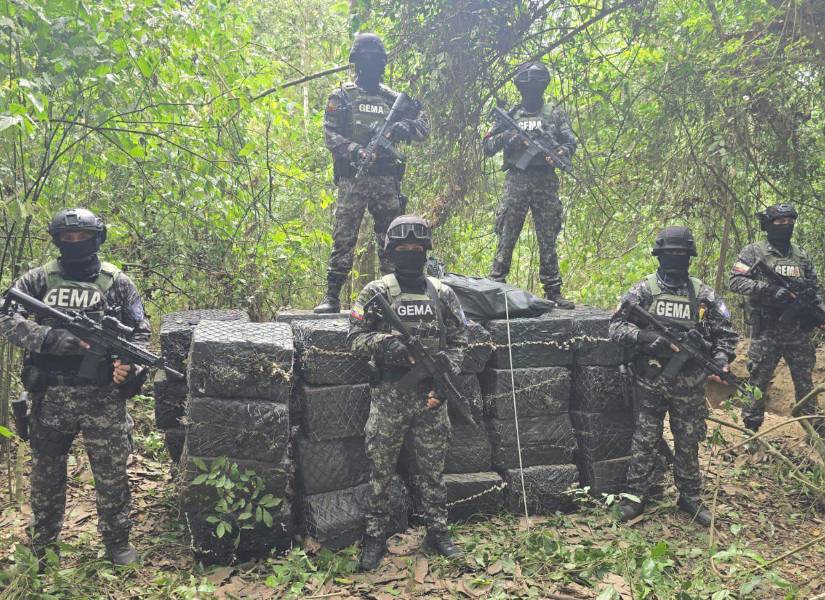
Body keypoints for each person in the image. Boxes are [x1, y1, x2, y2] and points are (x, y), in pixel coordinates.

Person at [1, 208, 151, 567]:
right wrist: (48, 337)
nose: (75, 244)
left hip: (103, 397)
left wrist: (130, 370)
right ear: (56, 241)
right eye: (67, 239)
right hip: (51, 396)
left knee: (112, 474)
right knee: (46, 475)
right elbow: (5, 315)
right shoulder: (38, 279)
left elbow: (141, 335)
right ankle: (43, 545)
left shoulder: (118, 282)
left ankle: (117, 542)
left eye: (81, 237)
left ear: (97, 238)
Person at [347, 215, 467, 571]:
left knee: (433, 472)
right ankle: (373, 536)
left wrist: (444, 381)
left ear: (426, 251)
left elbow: (461, 342)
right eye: (403, 248)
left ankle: (437, 531)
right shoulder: (375, 292)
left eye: (417, 249)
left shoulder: (442, 293)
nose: (411, 254)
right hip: (390, 395)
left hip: (430, 398)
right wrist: (390, 346)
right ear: (391, 252)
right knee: (380, 472)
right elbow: (352, 337)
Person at [609, 226, 738, 526]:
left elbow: (727, 334)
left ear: (690, 257)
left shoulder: (703, 294)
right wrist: (644, 338)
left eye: (681, 254)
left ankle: (690, 498)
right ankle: (634, 498)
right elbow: (615, 326)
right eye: (671, 254)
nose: (676, 259)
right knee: (644, 440)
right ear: (660, 256)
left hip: (690, 385)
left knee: (688, 441)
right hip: (651, 379)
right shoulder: (643, 290)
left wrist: (720, 359)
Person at [314, 32, 430, 314]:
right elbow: (330, 134)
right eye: (364, 61)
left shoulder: (394, 100)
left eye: (375, 62)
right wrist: (355, 150)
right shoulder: (341, 96)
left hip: (386, 180)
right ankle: (332, 296)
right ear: (356, 63)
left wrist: (407, 128)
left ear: (382, 64)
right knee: (344, 236)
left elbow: (423, 126)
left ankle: (394, 297)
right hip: (353, 178)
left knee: (390, 239)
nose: (370, 67)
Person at [483, 61, 577, 308]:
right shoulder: (511, 114)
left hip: (545, 180)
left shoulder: (554, 113)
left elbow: (570, 144)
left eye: (538, 83)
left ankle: (553, 290)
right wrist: (510, 137)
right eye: (529, 84)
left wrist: (558, 151)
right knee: (507, 233)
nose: (533, 89)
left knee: (548, 236)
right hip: (517, 179)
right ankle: (496, 284)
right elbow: (488, 146)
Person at [729, 204, 825, 433]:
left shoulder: (801, 255)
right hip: (767, 330)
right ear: (769, 225)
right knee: (758, 380)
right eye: (780, 222)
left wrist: (819, 313)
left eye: (790, 221)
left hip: (797, 331)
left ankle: (812, 429)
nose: (786, 225)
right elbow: (735, 281)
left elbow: (816, 289)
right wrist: (768, 290)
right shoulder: (753, 251)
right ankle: (751, 429)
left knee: (804, 381)